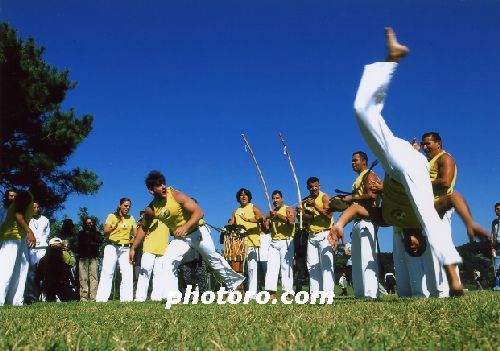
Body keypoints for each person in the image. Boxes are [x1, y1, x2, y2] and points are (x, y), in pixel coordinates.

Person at [329, 27, 469, 296]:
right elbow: (448, 202)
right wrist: (470, 223)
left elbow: (360, 210)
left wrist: (339, 223)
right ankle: (452, 280)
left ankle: (391, 59)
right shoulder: (428, 210)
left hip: (398, 164)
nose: (411, 244)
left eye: (409, 247)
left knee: (361, 111)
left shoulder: (391, 219)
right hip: (407, 162)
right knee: (429, 216)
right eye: (415, 245)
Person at [130, 171, 244, 299]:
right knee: (168, 261)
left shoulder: (176, 195)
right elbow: (143, 229)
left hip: (198, 231)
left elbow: (199, 212)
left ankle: (235, 285)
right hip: (182, 238)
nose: (163, 186)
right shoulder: (151, 209)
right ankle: (173, 297)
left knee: (213, 259)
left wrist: (185, 227)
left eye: (163, 183)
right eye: (158, 185)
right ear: (151, 190)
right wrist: (133, 248)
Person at [337, 151, 381, 298]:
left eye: (355, 160)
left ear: (364, 161)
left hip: (367, 220)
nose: (352, 163)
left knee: (367, 257)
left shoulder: (370, 175)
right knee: (356, 260)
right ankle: (360, 293)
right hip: (357, 221)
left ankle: (371, 294)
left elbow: (372, 196)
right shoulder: (358, 179)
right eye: (351, 161)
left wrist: (352, 199)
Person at [298, 177, 335, 294]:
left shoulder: (324, 197)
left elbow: (328, 215)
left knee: (326, 264)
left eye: (315, 186)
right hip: (311, 235)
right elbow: (307, 219)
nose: (313, 188)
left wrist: (315, 206)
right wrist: (300, 212)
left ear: (319, 186)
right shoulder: (305, 200)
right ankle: (315, 293)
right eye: (311, 187)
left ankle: (328, 293)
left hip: (325, 233)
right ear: (308, 187)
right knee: (312, 265)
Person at [96, 198, 137, 302]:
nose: (127, 208)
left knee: (127, 273)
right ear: (120, 205)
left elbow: (135, 233)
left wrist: (133, 238)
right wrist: (117, 225)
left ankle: (126, 299)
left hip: (125, 248)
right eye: (125, 206)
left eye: (129, 206)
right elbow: (106, 230)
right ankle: (101, 299)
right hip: (112, 246)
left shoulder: (131, 218)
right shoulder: (112, 216)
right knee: (107, 272)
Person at [0, 190, 36, 305]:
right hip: (10, 237)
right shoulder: (26, 195)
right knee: (6, 270)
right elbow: (18, 215)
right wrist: (30, 232)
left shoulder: (30, 197)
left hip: (20, 238)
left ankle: (15, 301)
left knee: (21, 270)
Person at [229, 188, 264, 297]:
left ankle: (252, 294)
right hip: (239, 243)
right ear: (238, 198)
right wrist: (228, 227)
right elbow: (231, 223)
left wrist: (249, 220)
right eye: (241, 195)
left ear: (249, 197)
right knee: (238, 269)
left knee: (252, 269)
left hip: (252, 242)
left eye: (245, 195)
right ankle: (238, 293)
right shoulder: (236, 211)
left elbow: (261, 218)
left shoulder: (253, 207)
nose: (243, 197)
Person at [264, 190, 295, 299]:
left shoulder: (288, 208)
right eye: (273, 198)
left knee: (286, 267)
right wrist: (266, 221)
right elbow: (266, 229)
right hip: (273, 242)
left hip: (286, 241)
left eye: (277, 198)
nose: (275, 200)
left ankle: (287, 293)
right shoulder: (271, 213)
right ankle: (271, 292)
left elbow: (291, 222)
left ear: (282, 199)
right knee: (271, 267)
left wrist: (277, 215)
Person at [135, 219, 169, 302]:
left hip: (163, 249)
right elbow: (141, 225)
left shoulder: (168, 216)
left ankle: (156, 297)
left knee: (159, 275)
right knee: (145, 274)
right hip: (149, 248)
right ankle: (140, 298)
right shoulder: (151, 215)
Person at [23, 202, 51, 303]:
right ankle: (30, 296)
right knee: (30, 273)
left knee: (43, 272)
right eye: (33, 207)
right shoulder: (26, 219)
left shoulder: (45, 220)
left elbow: (47, 233)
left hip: (42, 247)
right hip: (30, 248)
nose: (36, 209)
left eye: (38, 207)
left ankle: (44, 296)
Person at [37, 237, 76, 302]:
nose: (56, 247)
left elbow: (69, 270)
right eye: (54, 245)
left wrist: (72, 282)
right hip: (49, 285)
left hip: (63, 285)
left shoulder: (64, 258)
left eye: (58, 245)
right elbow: (39, 276)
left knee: (71, 300)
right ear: (50, 246)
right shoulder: (43, 260)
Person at [76, 217, 102, 301]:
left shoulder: (97, 233)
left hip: (93, 257)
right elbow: (80, 243)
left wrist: (91, 237)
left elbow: (99, 240)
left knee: (94, 277)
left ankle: (93, 297)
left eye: (91, 223)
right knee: (83, 277)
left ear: (93, 223)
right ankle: (83, 297)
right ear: (84, 224)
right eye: (87, 223)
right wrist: (91, 242)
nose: (89, 224)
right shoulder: (80, 233)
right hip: (83, 257)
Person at [492, 203, 500, 290]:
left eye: (499, 209)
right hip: (497, 247)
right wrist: (492, 247)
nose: (497, 210)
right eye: (496, 209)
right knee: (497, 268)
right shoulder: (494, 222)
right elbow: (493, 235)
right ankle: (497, 286)